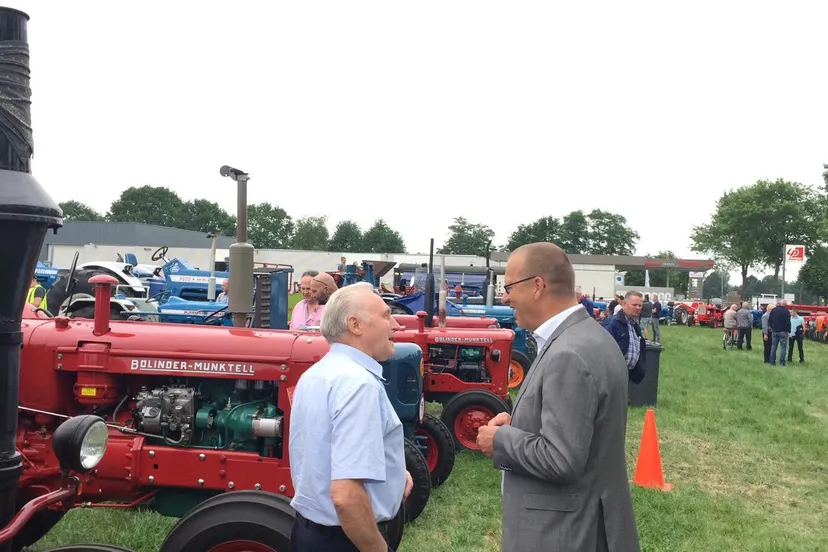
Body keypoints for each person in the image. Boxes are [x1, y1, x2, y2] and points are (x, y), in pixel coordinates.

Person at [475, 242, 641, 552]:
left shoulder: (569, 353)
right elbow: (582, 424)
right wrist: (521, 422)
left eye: (509, 286)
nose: (505, 297)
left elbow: (561, 459)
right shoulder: (590, 336)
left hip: (565, 534)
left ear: (537, 286)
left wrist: (500, 440)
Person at [289, 282, 413, 551]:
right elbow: (345, 496)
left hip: (309, 532)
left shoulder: (315, 374)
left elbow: (323, 455)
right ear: (355, 325)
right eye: (386, 315)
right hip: (344, 539)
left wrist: (394, 475)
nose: (396, 325)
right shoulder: (359, 385)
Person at [603, 290, 647, 384]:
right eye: (634, 305)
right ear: (624, 304)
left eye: (640, 305)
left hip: (627, 376)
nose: (638, 308)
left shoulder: (635, 326)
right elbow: (603, 350)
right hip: (612, 377)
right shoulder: (613, 323)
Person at [768, 300, 791, 366]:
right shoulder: (786, 311)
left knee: (773, 346)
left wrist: (772, 327)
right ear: (785, 305)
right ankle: (782, 362)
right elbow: (788, 322)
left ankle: (772, 362)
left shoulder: (774, 310)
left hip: (775, 331)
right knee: (783, 347)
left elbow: (770, 320)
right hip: (783, 331)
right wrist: (789, 331)